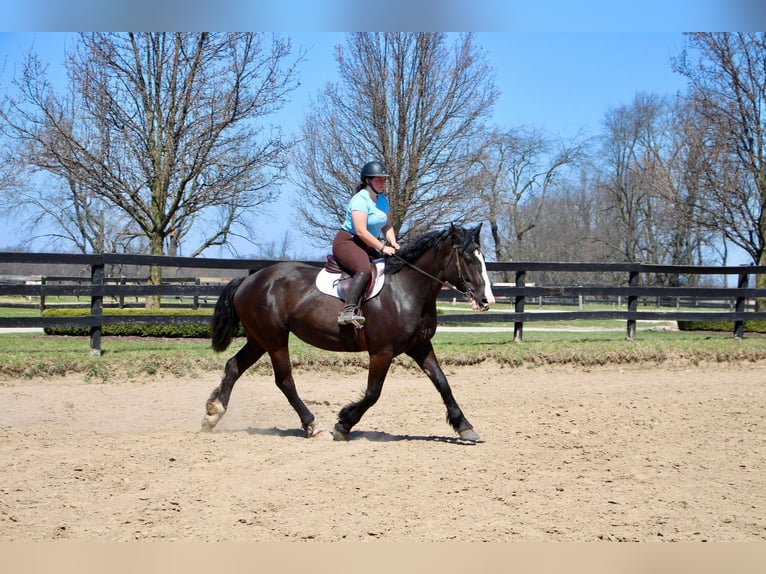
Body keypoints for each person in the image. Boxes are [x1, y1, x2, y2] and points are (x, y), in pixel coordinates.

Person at [333, 160, 400, 325]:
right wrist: (383, 247)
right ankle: (348, 311)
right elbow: (361, 231)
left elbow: (387, 225)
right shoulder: (359, 200)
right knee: (364, 269)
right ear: (367, 180)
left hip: (368, 244)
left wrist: (393, 243)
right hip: (348, 242)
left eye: (384, 180)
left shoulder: (383, 200)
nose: (383, 183)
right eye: (379, 179)